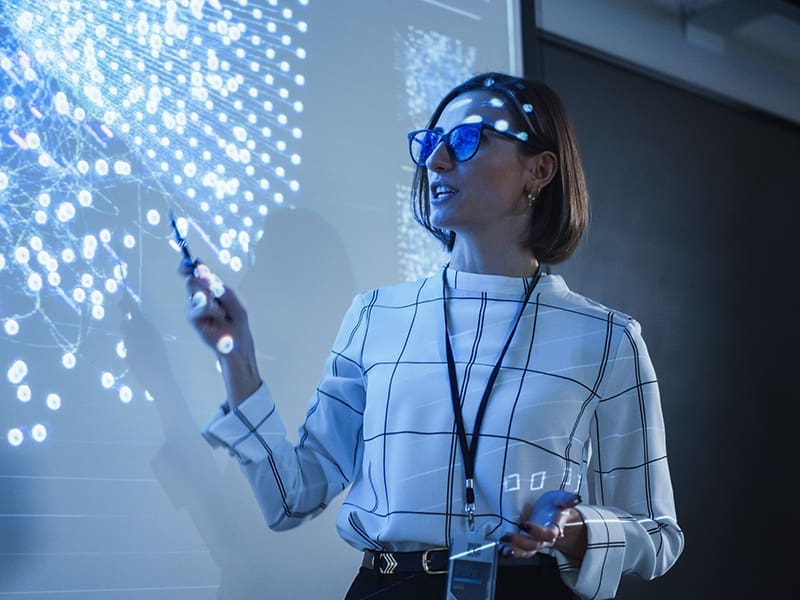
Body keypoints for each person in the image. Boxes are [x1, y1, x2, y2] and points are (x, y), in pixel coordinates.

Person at [180, 71, 684, 599]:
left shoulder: (606, 339)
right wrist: (237, 359)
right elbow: (293, 498)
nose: (437, 161)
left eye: (467, 140)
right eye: (430, 144)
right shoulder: (377, 315)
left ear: (540, 169)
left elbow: (657, 534)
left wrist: (577, 530)